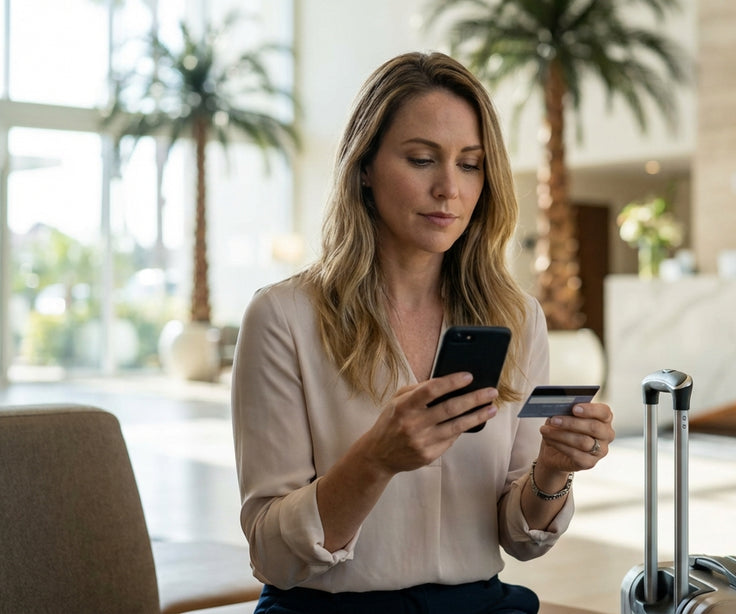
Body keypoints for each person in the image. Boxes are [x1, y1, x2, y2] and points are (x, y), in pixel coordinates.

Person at [230, 51, 616, 614]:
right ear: (364, 167)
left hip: (479, 605)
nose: (449, 189)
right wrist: (375, 460)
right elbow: (272, 554)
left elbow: (520, 537)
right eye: (421, 160)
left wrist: (553, 469)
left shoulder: (516, 317)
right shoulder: (283, 317)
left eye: (470, 164)